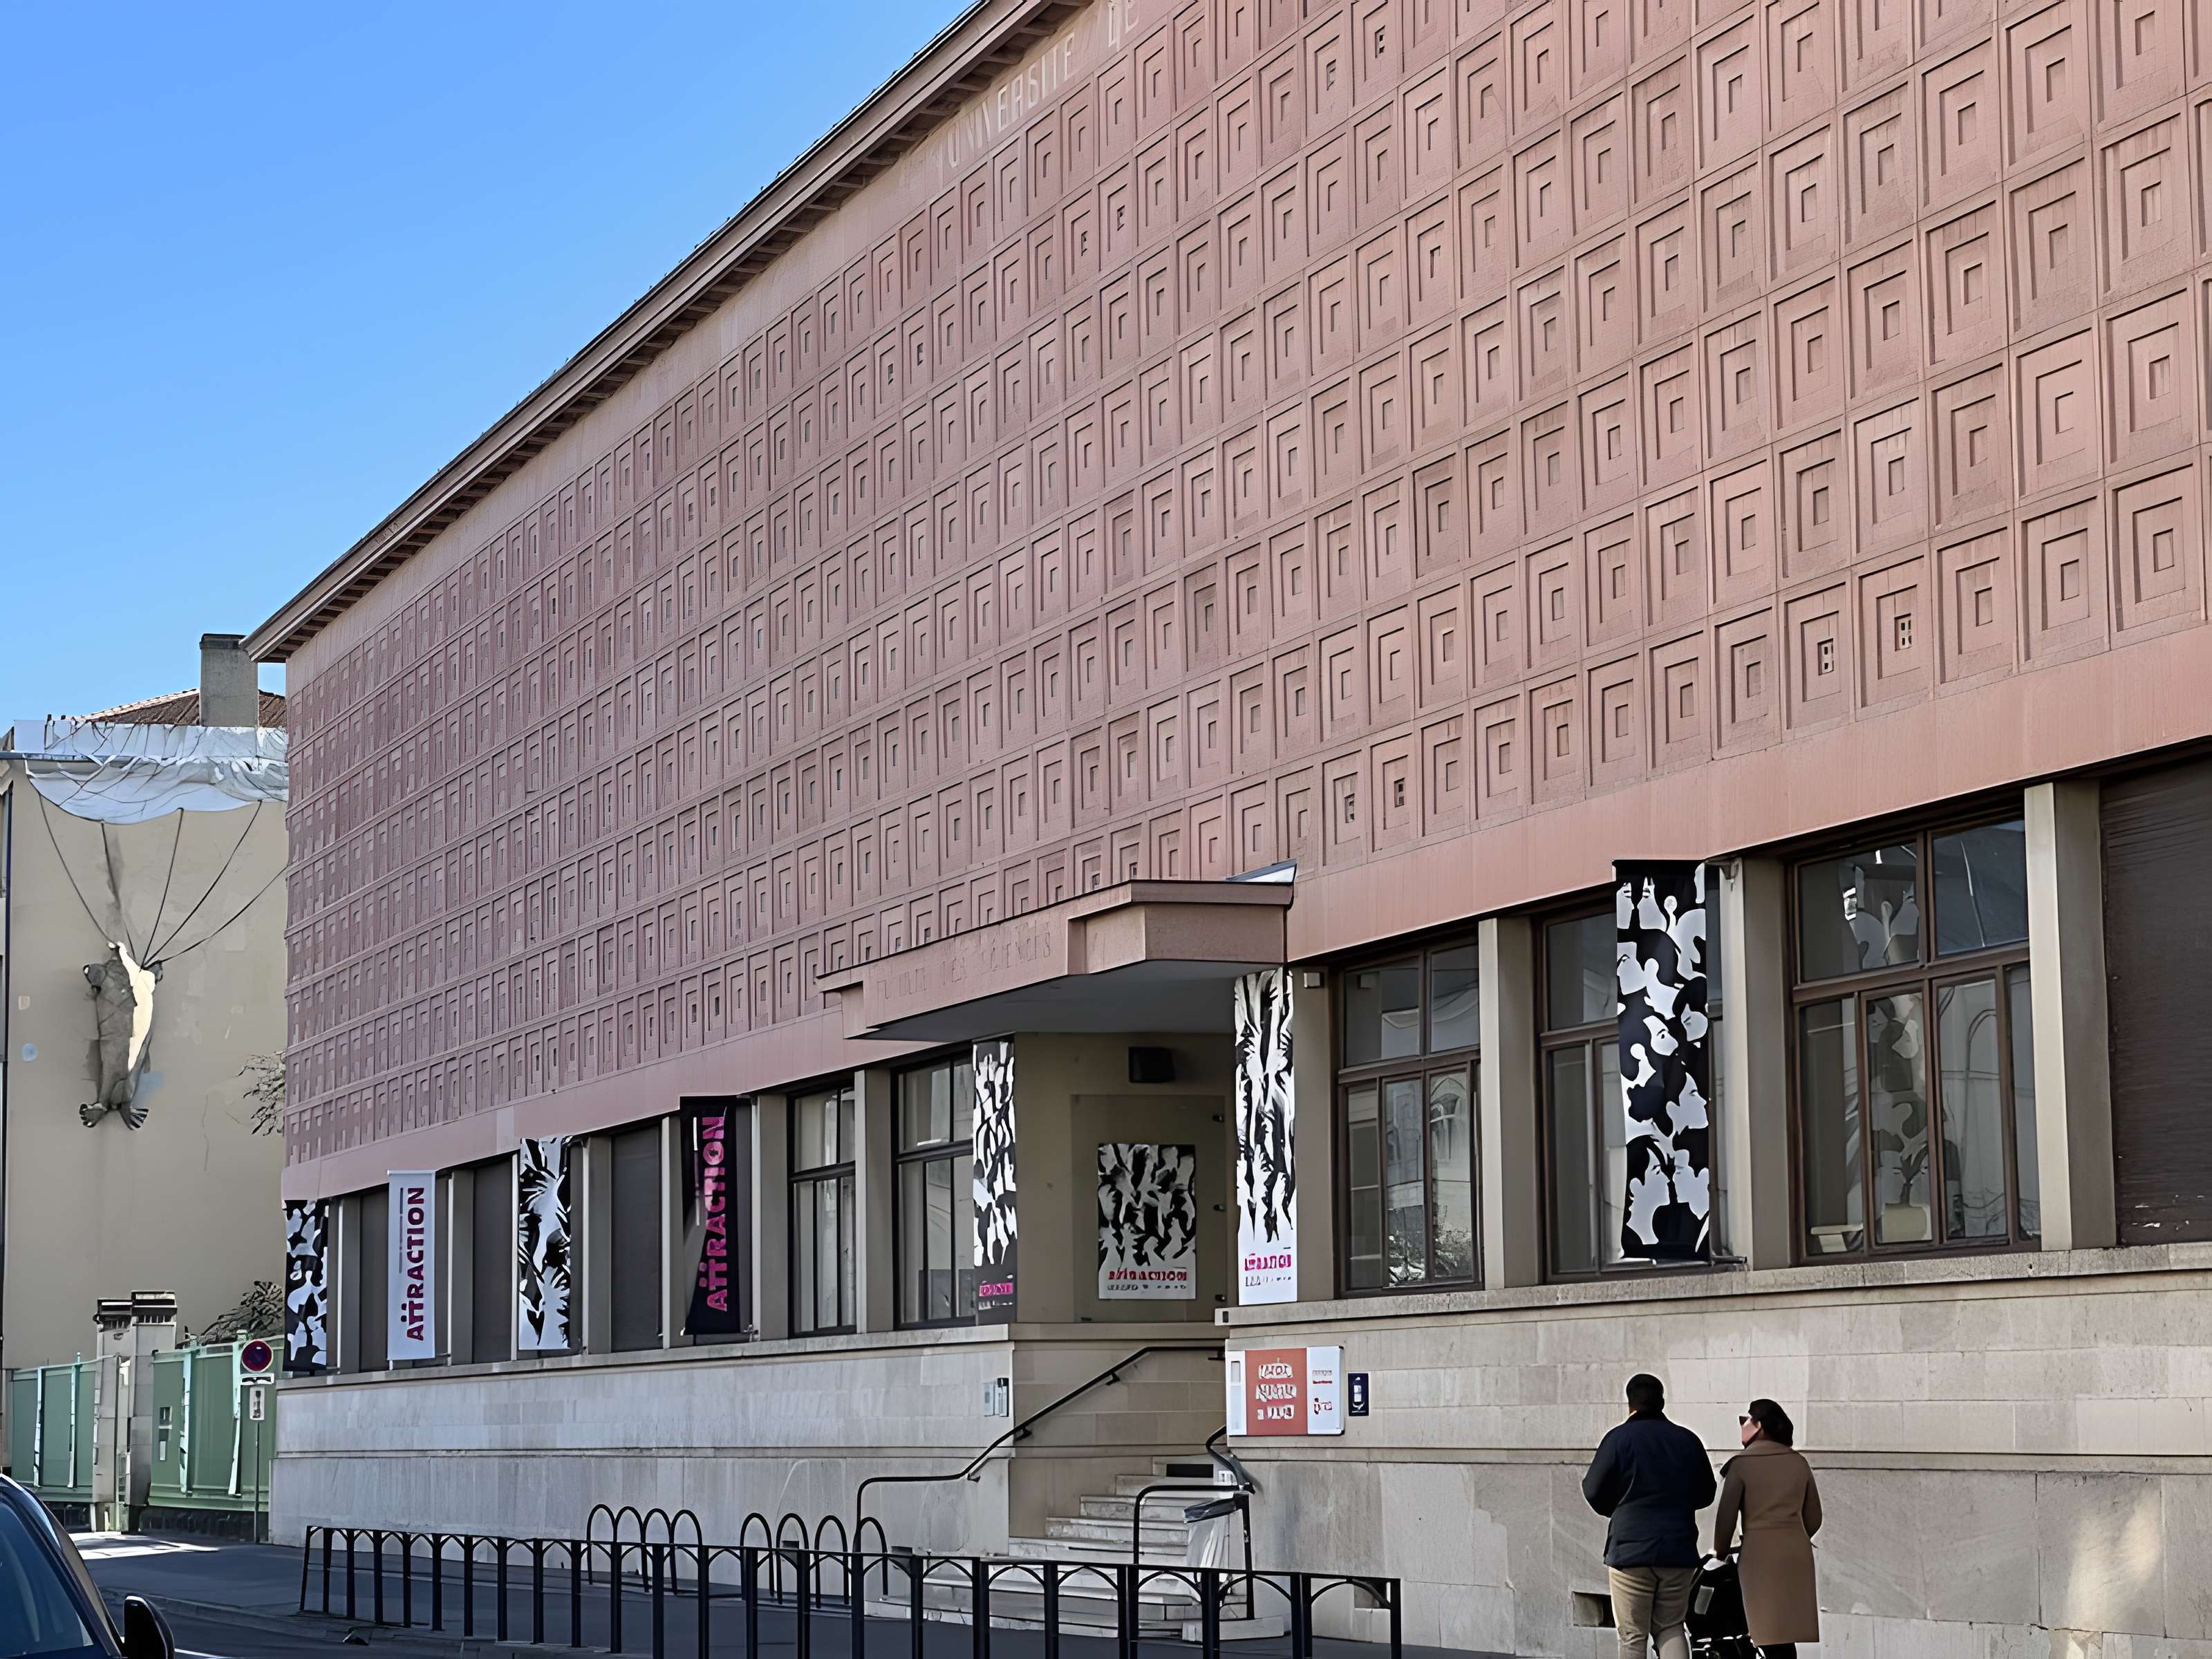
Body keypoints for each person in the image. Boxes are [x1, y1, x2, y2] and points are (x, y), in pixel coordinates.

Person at [1583, 1374, 1718, 1659]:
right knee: (1671, 1627)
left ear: (1630, 1403)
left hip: (1630, 1548)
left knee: (1632, 1635)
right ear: (1662, 1402)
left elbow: (1592, 1490)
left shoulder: (1618, 1438)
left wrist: (1620, 1511)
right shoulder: (1687, 1440)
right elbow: (1707, 1492)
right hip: (1678, 1547)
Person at [1714, 1398, 1822, 1659]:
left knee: (1764, 1630)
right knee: (1784, 1632)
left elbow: (1726, 1518)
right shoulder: (1798, 1462)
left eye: (1746, 1420)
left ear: (1759, 1425)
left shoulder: (1741, 1464)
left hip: (1759, 1553)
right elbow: (1815, 1517)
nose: (1742, 1425)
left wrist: (1720, 1551)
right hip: (1796, 1550)